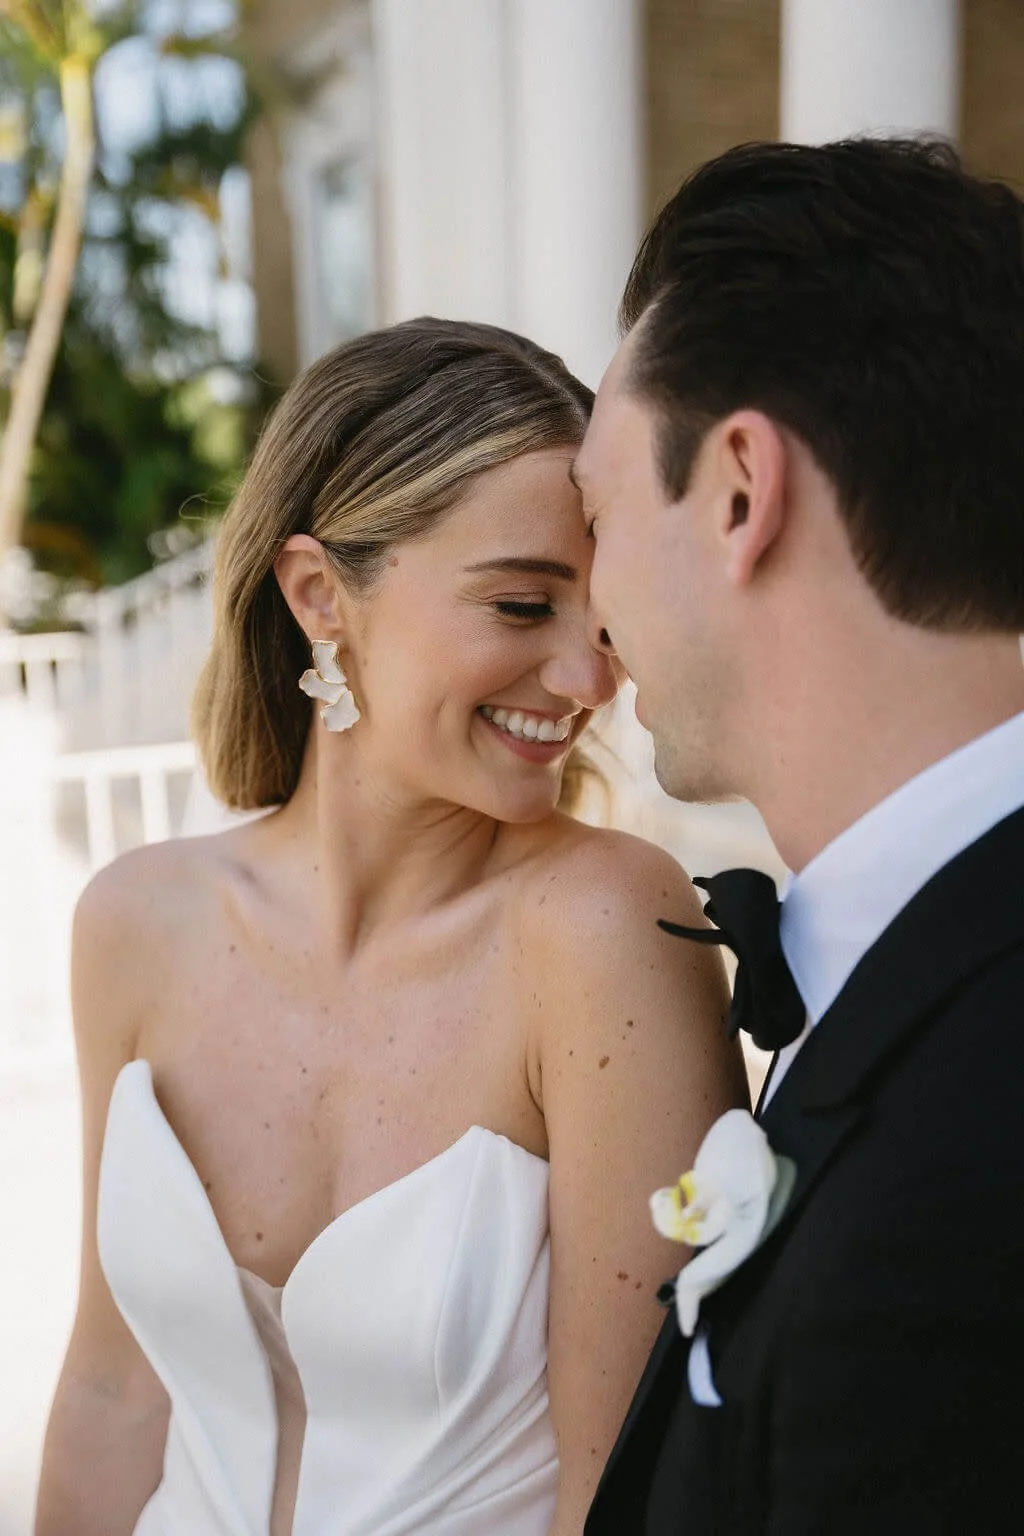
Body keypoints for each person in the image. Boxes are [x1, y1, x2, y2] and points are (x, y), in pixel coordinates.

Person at [34, 317, 746, 1536]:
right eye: (523, 606)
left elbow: (628, 1486)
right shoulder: (133, 924)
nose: (589, 680)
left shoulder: (603, 931)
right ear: (321, 596)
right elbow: (113, 1389)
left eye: (607, 620)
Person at [578, 138, 1024, 1534]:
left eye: (594, 519)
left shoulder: (976, 1133)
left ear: (736, 492)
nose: (593, 620)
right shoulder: (923, 971)